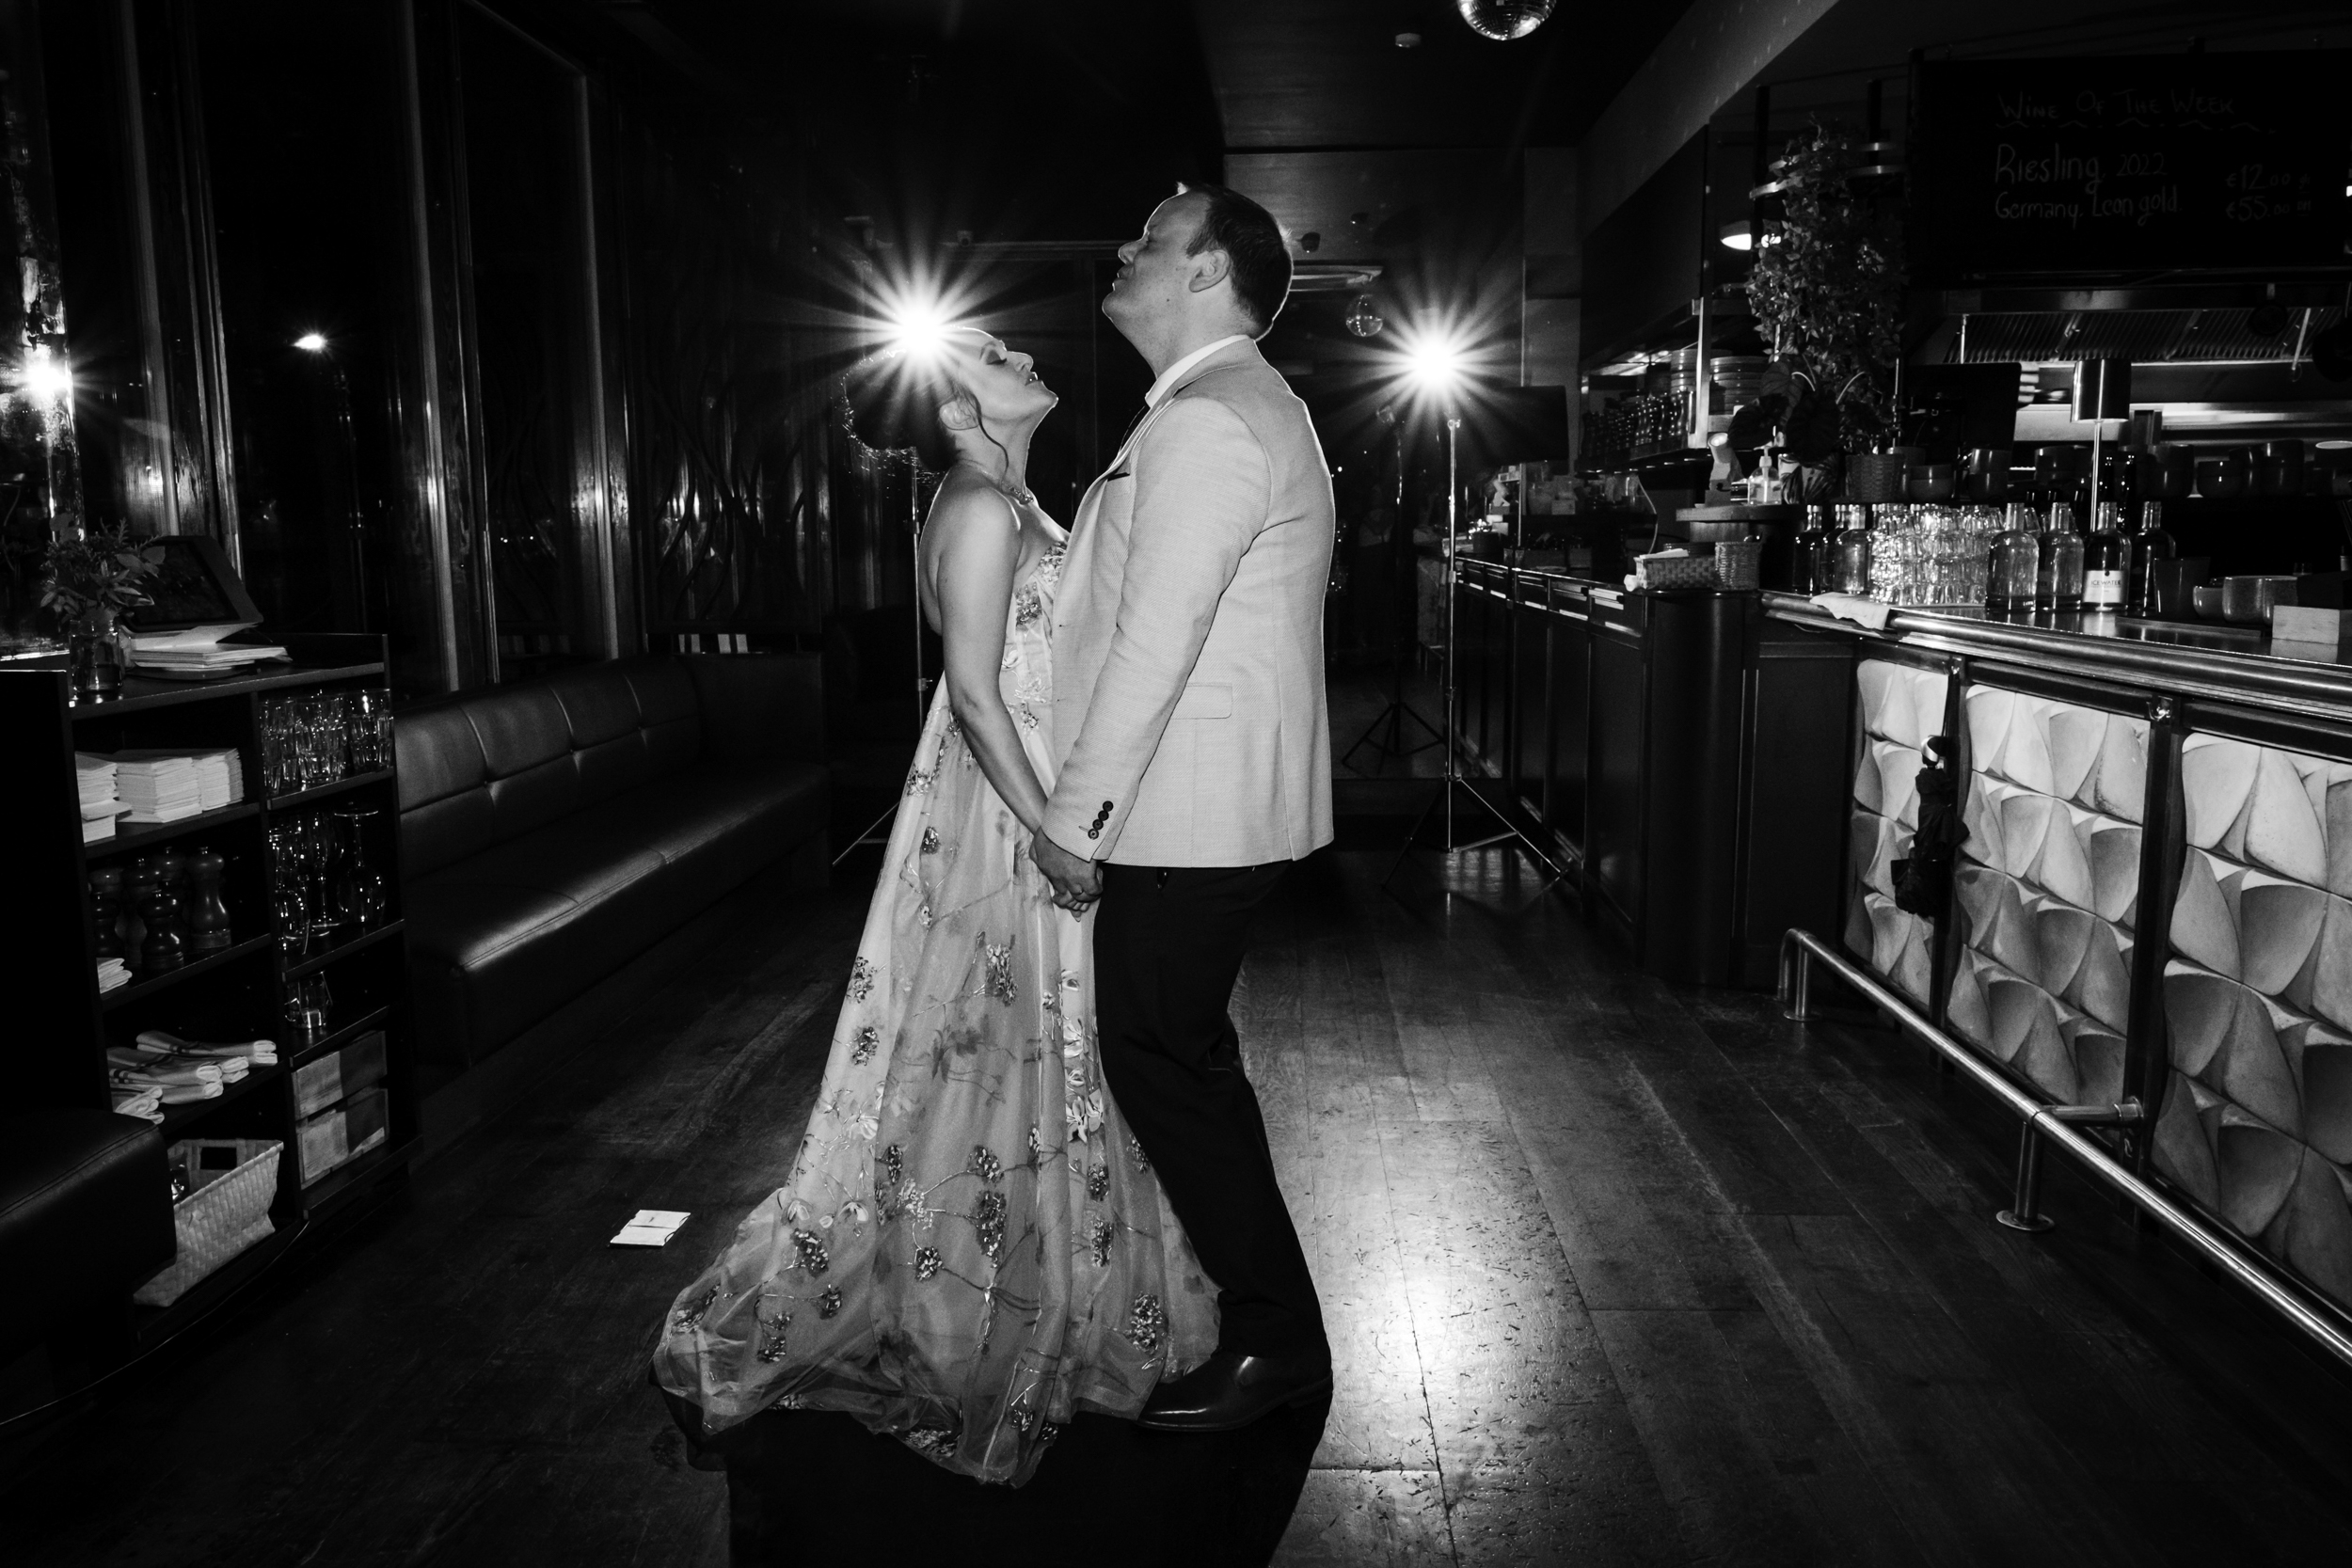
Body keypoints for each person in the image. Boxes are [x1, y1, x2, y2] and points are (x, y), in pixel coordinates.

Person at [651, 328, 1216, 1487]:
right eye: (997, 353)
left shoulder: (1008, 496)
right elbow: (970, 689)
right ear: (959, 406)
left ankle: (1046, 1271)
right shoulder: (976, 505)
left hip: (1035, 785)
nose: (1021, 351)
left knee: (1026, 1047)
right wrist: (1057, 831)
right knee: (1000, 1042)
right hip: (1005, 807)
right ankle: (981, 1298)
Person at [1030, 182, 1336, 1431]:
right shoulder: (1225, 407)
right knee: (1178, 1054)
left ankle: (1278, 1340)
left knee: (1166, 1058)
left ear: (1212, 272)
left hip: (1184, 809)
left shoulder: (1212, 418)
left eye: (1149, 238)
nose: (1122, 246)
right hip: (1200, 807)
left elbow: (1160, 634)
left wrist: (1076, 812)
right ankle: (1264, 1322)